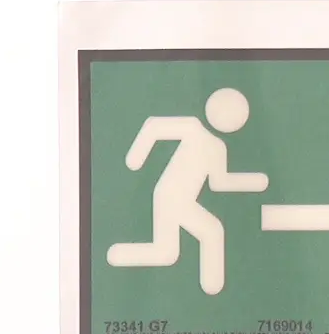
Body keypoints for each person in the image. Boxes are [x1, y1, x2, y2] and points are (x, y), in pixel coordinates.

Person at [107, 88, 268, 295]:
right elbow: (155, 128)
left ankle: (118, 254)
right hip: (172, 197)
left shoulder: (217, 146)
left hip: (173, 198)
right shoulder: (193, 127)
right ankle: (212, 287)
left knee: (167, 251)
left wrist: (256, 181)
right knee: (211, 231)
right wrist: (136, 158)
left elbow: (219, 183)